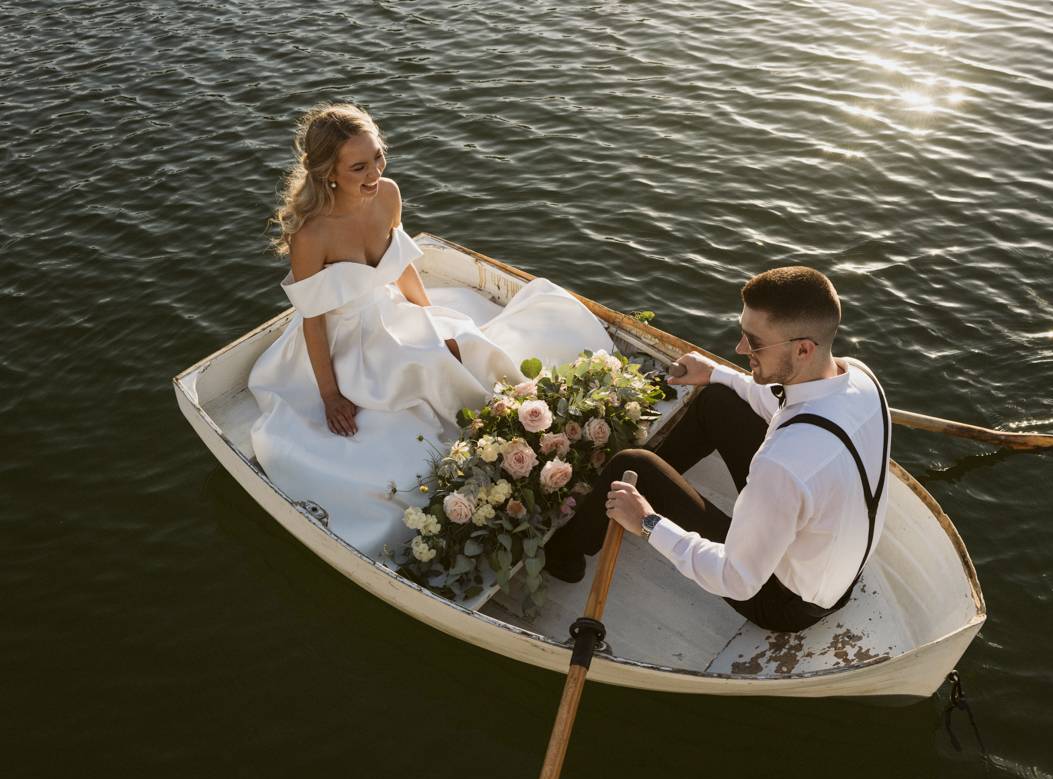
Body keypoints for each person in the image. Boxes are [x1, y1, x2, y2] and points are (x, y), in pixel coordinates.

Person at [249, 102, 612, 558]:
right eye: (359, 166)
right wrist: (329, 394)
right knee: (427, 362)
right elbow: (314, 321)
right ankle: (492, 435)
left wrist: (429, 314)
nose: (374, 173)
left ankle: (517, 424)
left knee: (465, 341)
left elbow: (397, 262)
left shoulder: (388, 194)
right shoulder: (311, 235)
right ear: (328, 173)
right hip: (346, 341)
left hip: (393, 310)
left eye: (378, 157)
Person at [544, 266, 891, 632]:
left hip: (784, 602)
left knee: (631, 464)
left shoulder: (783, 464)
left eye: (754, 342)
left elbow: (736, 579)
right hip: (831, 568)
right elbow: (783, 406)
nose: (741, 349)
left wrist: (647, 523)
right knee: (717, 400)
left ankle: (566, 554)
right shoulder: (858, 376)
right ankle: (648, 486)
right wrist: (715, 372)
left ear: (804, 349)